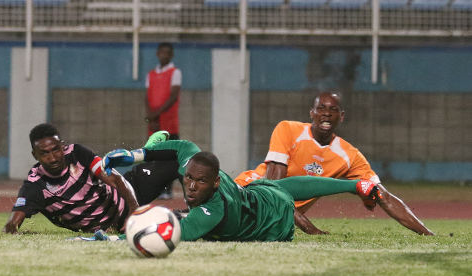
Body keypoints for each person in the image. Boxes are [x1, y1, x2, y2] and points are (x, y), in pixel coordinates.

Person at [234, 92, 434, 236]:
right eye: (321, 108)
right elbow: (271, 192)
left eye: (333, 109)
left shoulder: (349, 155)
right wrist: (308, 228)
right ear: (311, 113)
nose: (327, 113)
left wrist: (427, 234)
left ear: (342, 116)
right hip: (245, 195)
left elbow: (382, 195)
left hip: (271, 219)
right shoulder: (288, 130)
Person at [101, 139, 382, 241]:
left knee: (282, 194)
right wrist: (135, 154)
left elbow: (175, 233)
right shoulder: (199, 168)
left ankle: (353, 185)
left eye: (199, 182)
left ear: (215, 182)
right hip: (254, 193)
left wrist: (114, 239)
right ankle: (355, 186)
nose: (191, 186)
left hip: (273, 223)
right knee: (275, 186)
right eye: (188, 179)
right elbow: (183, 147)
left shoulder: (213, 210)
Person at [2, 124, 176, 235]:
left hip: (131, 192)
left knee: (179, 161)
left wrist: (134, 212)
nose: (53, 157)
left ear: (62, 147)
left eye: (56, 150)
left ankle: (150, 151)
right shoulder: (36, 185)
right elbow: (12, 224)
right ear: (35, 155)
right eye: (44, 153)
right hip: (113, 227)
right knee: (176, 222)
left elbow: (114, 179)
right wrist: (14, 229)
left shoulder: (77, 153)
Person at [144, 42, 182, 200]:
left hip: (169, 123)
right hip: (154, 124)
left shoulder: (175, 72)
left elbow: (173, 97)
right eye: (162, 52)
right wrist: (150, 117)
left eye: (167, 53)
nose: (164, 55)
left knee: (170, 158)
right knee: (155, 157)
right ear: (158, 53)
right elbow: (147, 97)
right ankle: (158, 188)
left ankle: (168, 189)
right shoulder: (150, 74)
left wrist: (156, 115)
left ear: (171, 55)